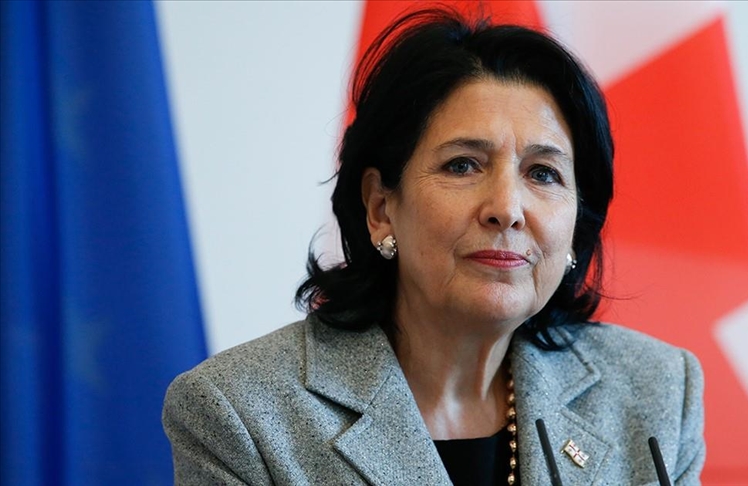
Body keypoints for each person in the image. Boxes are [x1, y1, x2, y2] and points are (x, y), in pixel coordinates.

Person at [162, 8, 705, 485]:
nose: (507, 208)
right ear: (380, 208)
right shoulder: (241, 414)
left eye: (543, 173)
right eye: (463, 165)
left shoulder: (653, 390)